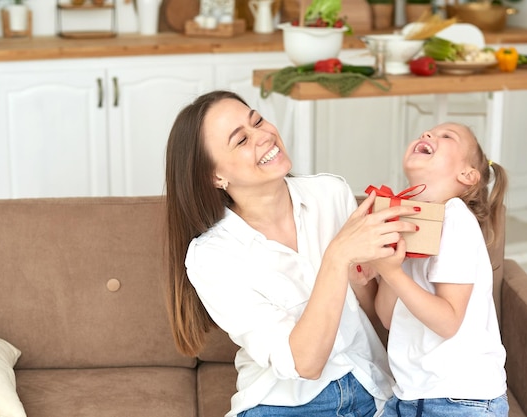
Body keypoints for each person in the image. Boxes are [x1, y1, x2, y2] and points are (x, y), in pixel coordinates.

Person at [164, 90, 420, 417]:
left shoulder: (331, 194)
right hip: (282, 404)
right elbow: (304, 363)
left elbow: (373, 316)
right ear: (215, 176)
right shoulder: (212, 256)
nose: (264, 136)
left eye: (257, 121)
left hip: (369, 389)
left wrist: (368, 275)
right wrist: (337, 258)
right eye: (241, 140)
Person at [369, 122, 509, 417]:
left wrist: (392, 273)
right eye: (426, 132)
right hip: (410, 397)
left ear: (467, 175)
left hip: (461, 399)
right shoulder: (405, 220)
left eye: (447, 136)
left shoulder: (456, 218)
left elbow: (448, 322)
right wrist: (385, 266)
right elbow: (388, 318)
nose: (427, 134)